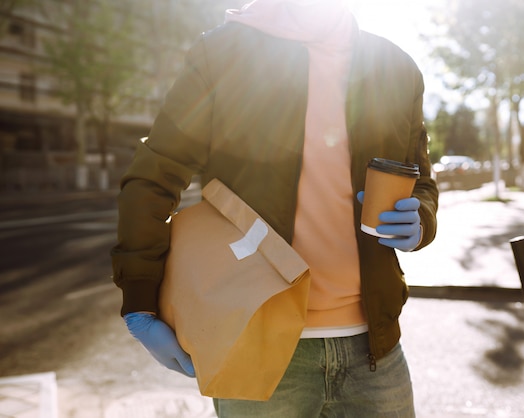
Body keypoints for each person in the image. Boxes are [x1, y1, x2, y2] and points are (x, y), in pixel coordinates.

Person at [111, 0, 438, 416]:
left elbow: (422, 180)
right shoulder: (224, 54)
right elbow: (154, 177)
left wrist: (421, 220)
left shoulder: (396, 68)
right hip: (252, 342)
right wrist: (140, 303)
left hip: (376, 350)